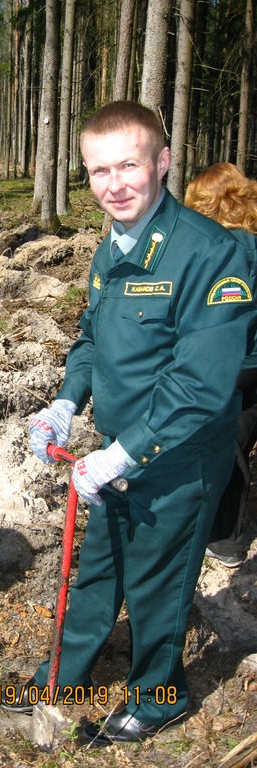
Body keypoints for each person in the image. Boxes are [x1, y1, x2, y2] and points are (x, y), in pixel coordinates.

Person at [3, 101, 255, 746]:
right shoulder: (110, 246)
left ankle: (160, 694)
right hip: (115, 450)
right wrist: (66, 401)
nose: (113, 185)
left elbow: (201, 383)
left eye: (128, 166)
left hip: (179, 460)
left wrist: (124, 454)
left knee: (157, 584)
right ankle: (61, 681)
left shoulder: (215, 254)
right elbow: (91, 339)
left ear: (162, 162)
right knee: (97, 571)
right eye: (97, 171)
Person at [185, 162, 257, 567]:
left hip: (230, 360)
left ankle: (223, 536)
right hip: (253, 364)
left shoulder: (212, 250)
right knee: (244, 423)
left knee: (224, 435)